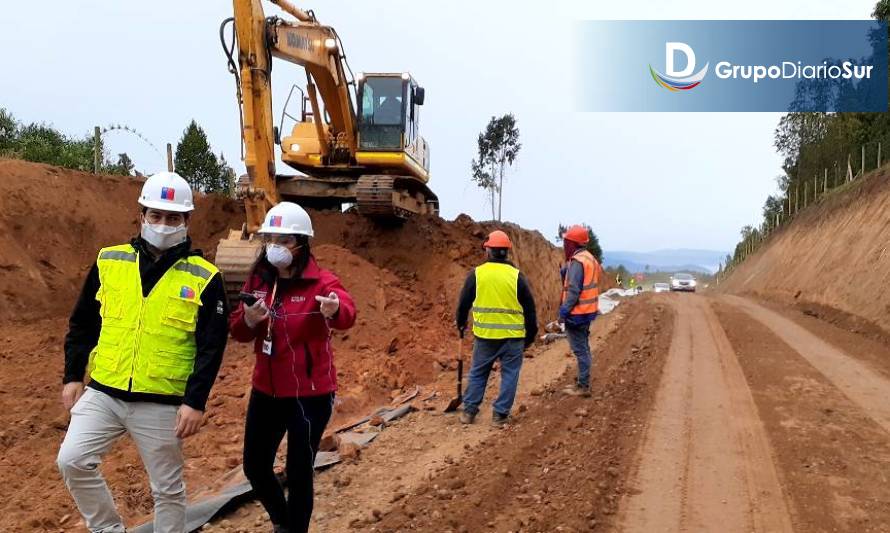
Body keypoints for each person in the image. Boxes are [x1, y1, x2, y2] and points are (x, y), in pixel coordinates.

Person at [57, 171, 230, 533]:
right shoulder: (110, 261)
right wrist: (73, 375)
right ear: (142, 215)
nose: (163, 224)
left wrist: (195, 401)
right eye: (155, 215)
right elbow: (83, 322)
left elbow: (211, 347)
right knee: (72, 460)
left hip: (163, 401)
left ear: (186, 221)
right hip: (104, 390)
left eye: (173, 218)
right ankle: (108, 529)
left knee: (167, 489)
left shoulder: (203, 276)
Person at [229, 202, 356, 533]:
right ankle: (283, 522)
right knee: (255, 466)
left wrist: (334, 309)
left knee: (299, 472)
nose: (276, 247)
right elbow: (238, 332)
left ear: (301, 244)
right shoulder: (259, 280)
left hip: (309, 397)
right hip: (266, 391)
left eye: (285, 241)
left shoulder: (321, 281)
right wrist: (248, 319)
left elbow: (347, 313)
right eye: (272, 239)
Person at [455, 230, 537, 427]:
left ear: (488, 251)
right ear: (507, 252)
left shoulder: (477, 274)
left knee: (478, 372)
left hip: (485, 337)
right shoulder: (517, 277)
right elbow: (530, 310)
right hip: (513, 338)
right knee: (510, 375)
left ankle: (469, 411)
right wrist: (530, 336)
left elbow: (463, 303)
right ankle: (500, 415)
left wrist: (460, 323)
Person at [559, 224, 602, 397]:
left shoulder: (578, 261)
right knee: (583, 347)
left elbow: (575, 290)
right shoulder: (590, 258)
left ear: (573, 243)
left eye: (566, 241)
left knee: (580, 350)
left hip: (577, 313)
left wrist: (563, 312)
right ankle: (583, 381)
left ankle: (583, 385)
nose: (564, 245)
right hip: (587, 311)